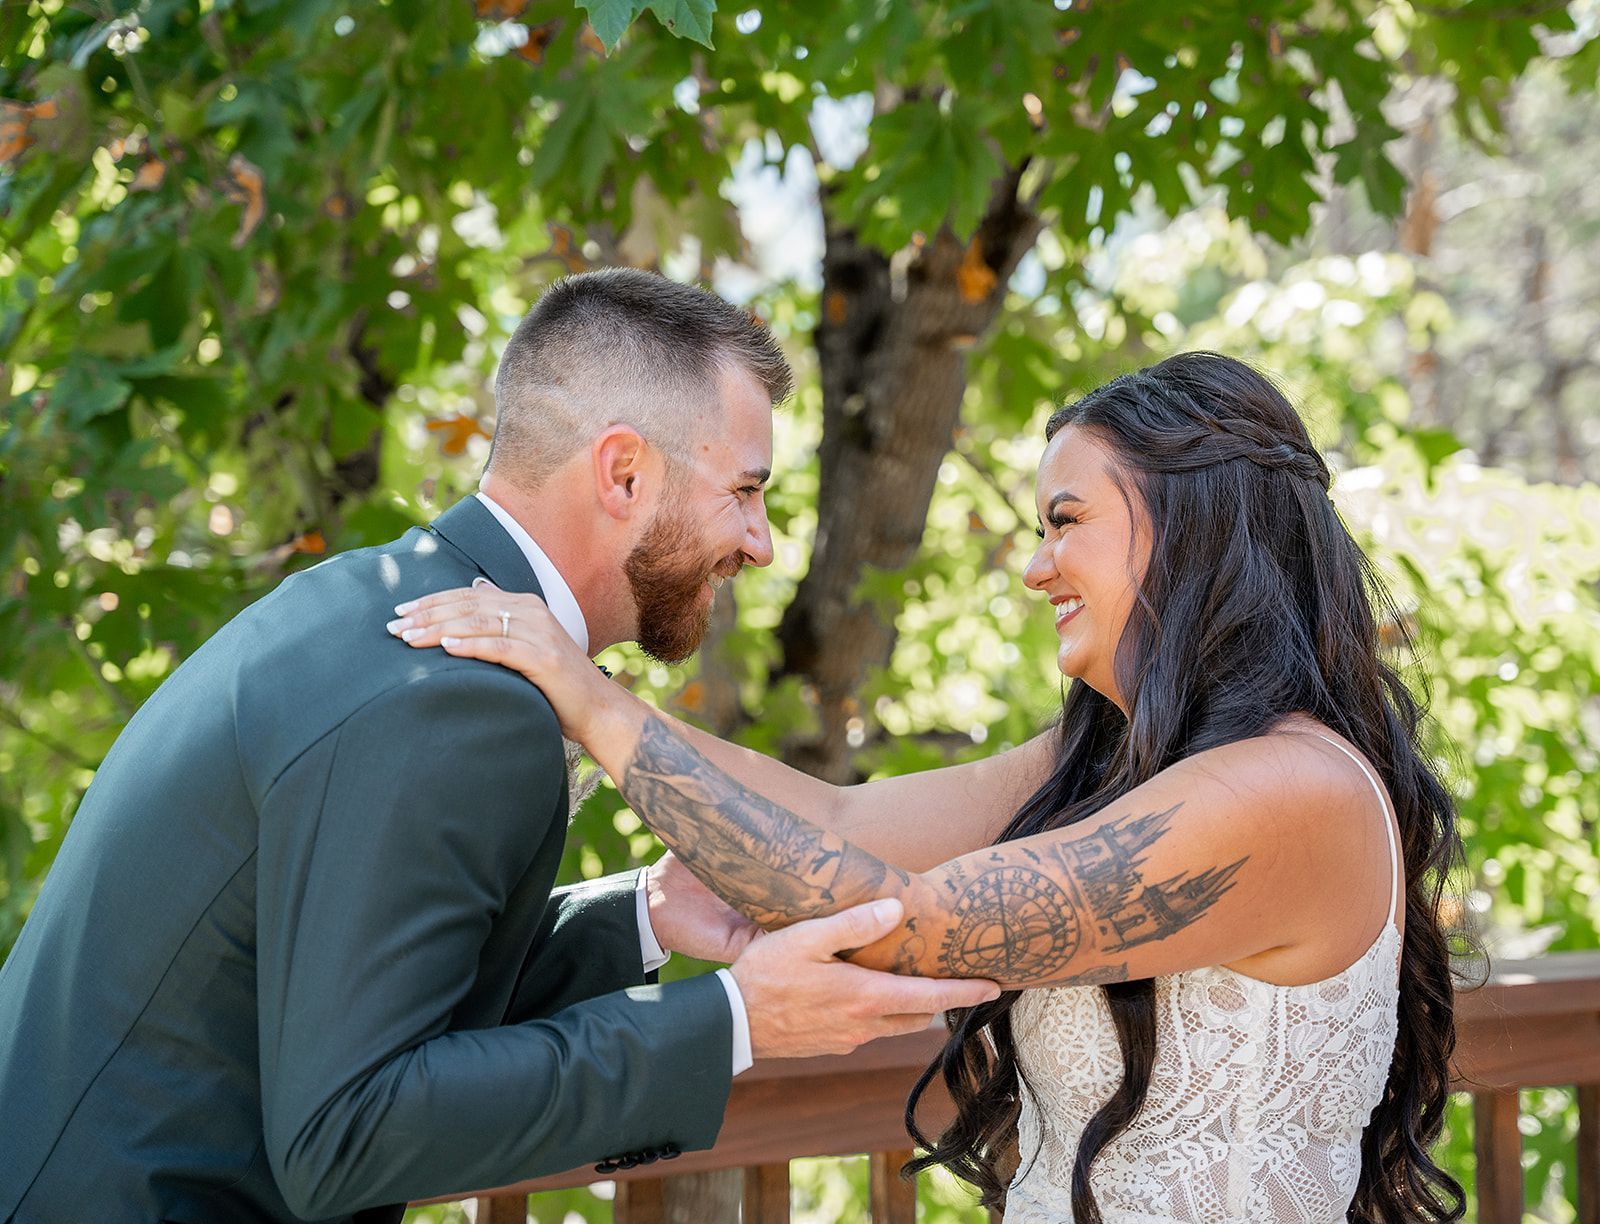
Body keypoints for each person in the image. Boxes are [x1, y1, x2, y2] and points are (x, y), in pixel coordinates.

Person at [0, 268, 1000, 1224]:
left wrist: (643, 916)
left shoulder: (374, 604)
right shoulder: (456, 698)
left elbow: (353, 983)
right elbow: (349, 1129)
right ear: (623, 472)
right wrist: (737, 1021)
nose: (762, 541)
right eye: (743, 491)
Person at [389, 350, 1468, 1223]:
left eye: (1065, 521)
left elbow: (898, 927)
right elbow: (843, 821)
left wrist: (593, 703)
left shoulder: (1288, 791)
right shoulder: (1103, 765)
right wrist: (572, 683)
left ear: (1187, 522)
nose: (1037, 566)